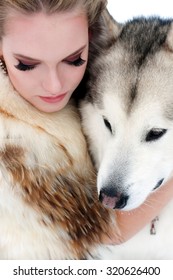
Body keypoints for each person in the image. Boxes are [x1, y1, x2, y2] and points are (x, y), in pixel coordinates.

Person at [0, 0, 173, 249]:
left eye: (74, 59)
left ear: (90, 41)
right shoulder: (13, 140)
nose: (55, 86)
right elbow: (108, 231)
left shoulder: (93, 82)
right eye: (27, 64)